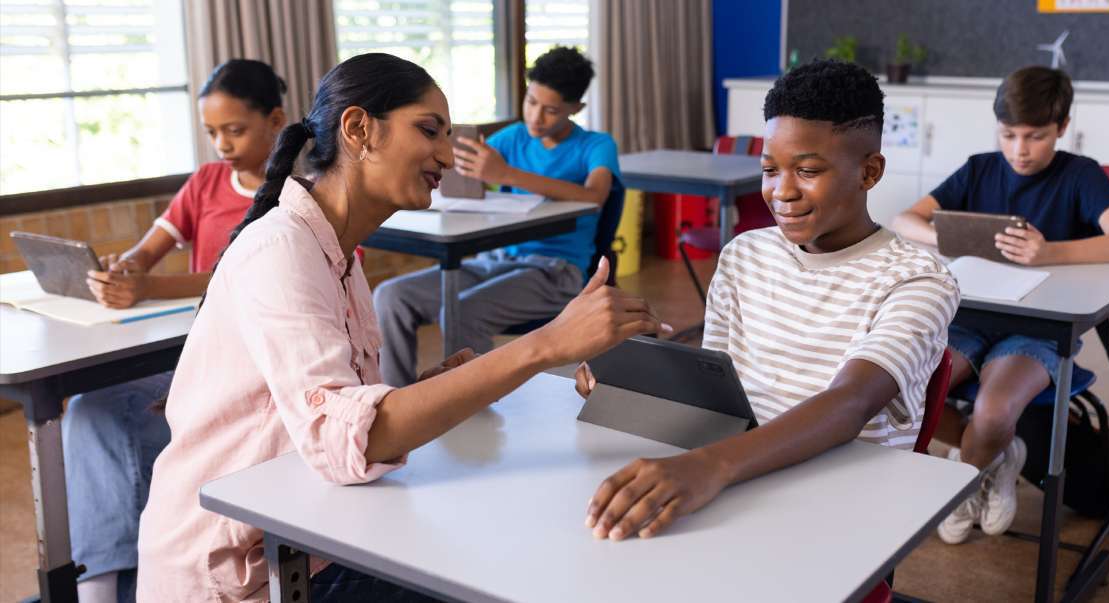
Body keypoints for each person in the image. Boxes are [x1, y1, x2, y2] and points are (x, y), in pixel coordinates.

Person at [136, 53, 665, 602]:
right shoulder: (281, 249)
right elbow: (343, 442)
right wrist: (544, 345)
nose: (445, 154)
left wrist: (430, 389)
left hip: (302, 534)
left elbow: (335, 413)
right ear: (360, 129)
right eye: (429, 130)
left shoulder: (339, 255)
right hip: (237, 570)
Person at [575, 59, 960, 541]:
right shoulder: (744, 255)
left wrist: (709, 467)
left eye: (808, 170)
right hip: (743, 477)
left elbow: (850, 403)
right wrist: (634, 383)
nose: (782, 192)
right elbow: (721, 394)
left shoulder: (917, 279)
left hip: (843, 510)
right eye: (770, 169)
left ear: (869, 172)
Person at [891, 65, 1109, 543]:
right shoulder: (980, 168)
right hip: (970, 319)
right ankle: (995, 455)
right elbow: (906, 218)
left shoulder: (1080, 176)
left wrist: (1050, 253)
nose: (1019, 150)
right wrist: (944, 238)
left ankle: (962, 482)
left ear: (1062, 128)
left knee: (992, 412)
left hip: (1038, 327)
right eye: (1009, 135)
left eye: (1035, 137)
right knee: (904, 390)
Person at [64, 58, 287, 603]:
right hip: (190, 352)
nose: (222, 145)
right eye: (212, 132)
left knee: (105, 420)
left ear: (277, 120)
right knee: (88, 411)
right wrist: (128, 270)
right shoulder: (208, 181)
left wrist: (151, 287)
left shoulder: (298, 195)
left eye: (235, 130)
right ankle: (100, 582)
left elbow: (243, 275)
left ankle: (120, 573)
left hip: (253, 365)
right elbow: (150, 250)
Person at [373, 46, 619, 386]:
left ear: (576, 109)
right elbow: (463, 162)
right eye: (531, 102)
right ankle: (396, 402)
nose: (535, 117)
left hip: (554, 271)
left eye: (551, 110)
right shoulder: (513, 137)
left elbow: (596, 195)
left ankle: (469, 407)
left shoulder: (595, 145)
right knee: (390, 296)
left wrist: (507, 175)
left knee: (463, 311)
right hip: (495, 260)